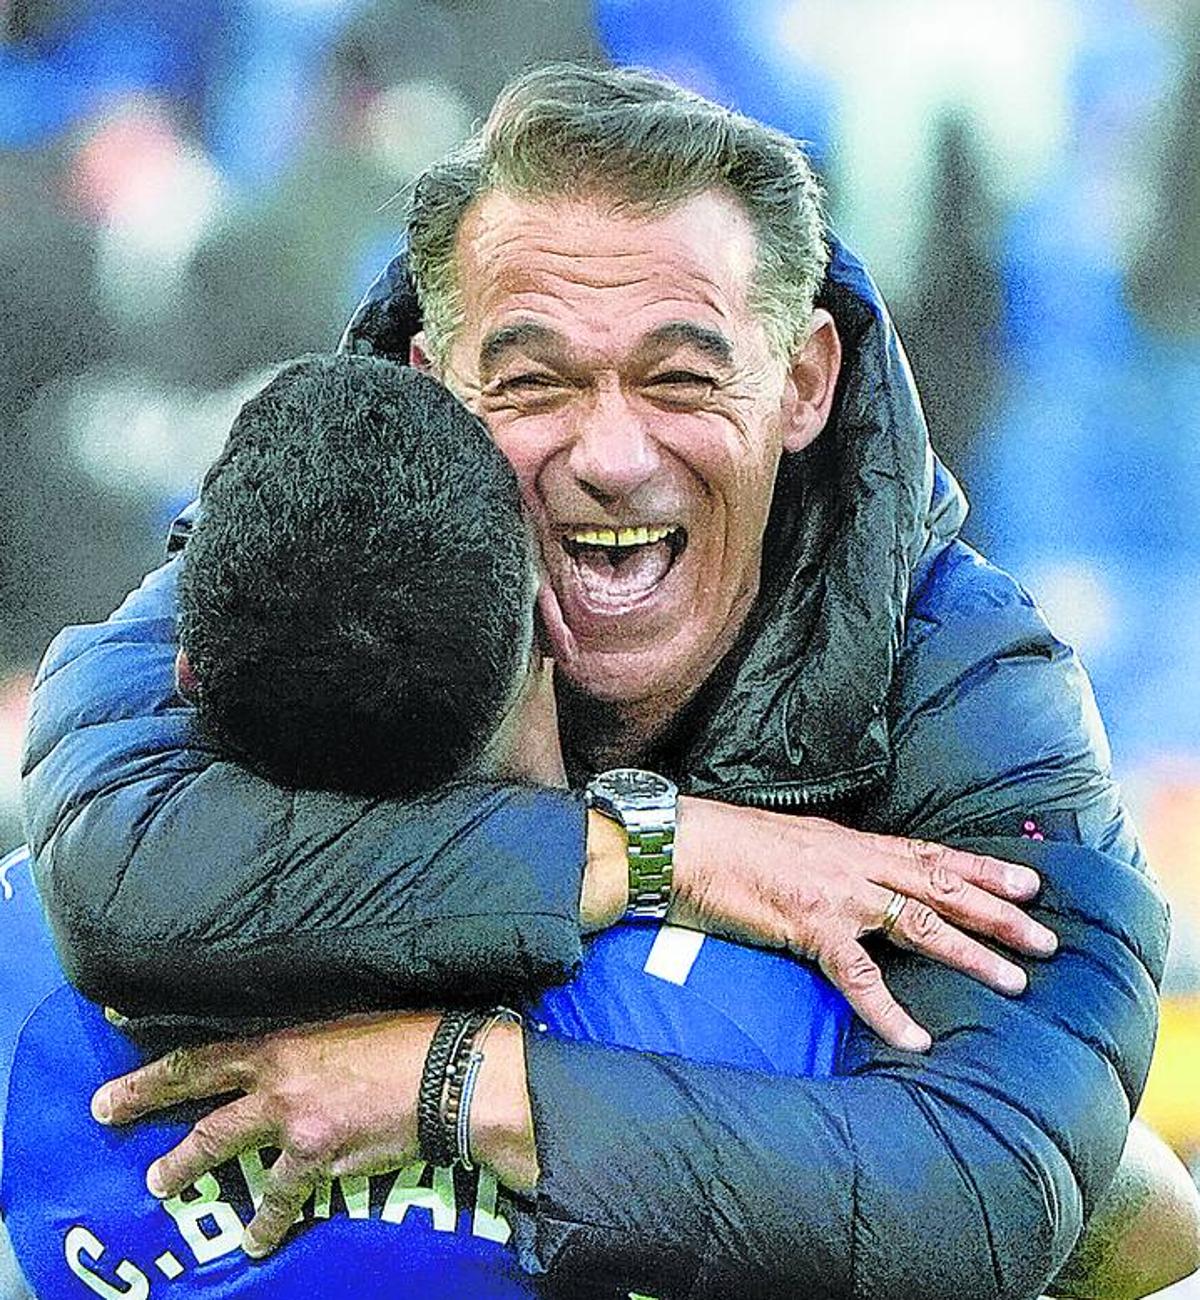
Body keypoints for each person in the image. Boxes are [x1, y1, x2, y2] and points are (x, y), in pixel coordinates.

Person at [21, 64, 1175, 1298]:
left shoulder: (975, 690)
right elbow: (117, 861)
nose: (614, 455)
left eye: (681, 378)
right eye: (534, 382)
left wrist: (450, 1085)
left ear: (804, 381)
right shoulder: (313, 540)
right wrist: (664, 852)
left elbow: (1000, 1190)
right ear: (432, 385)